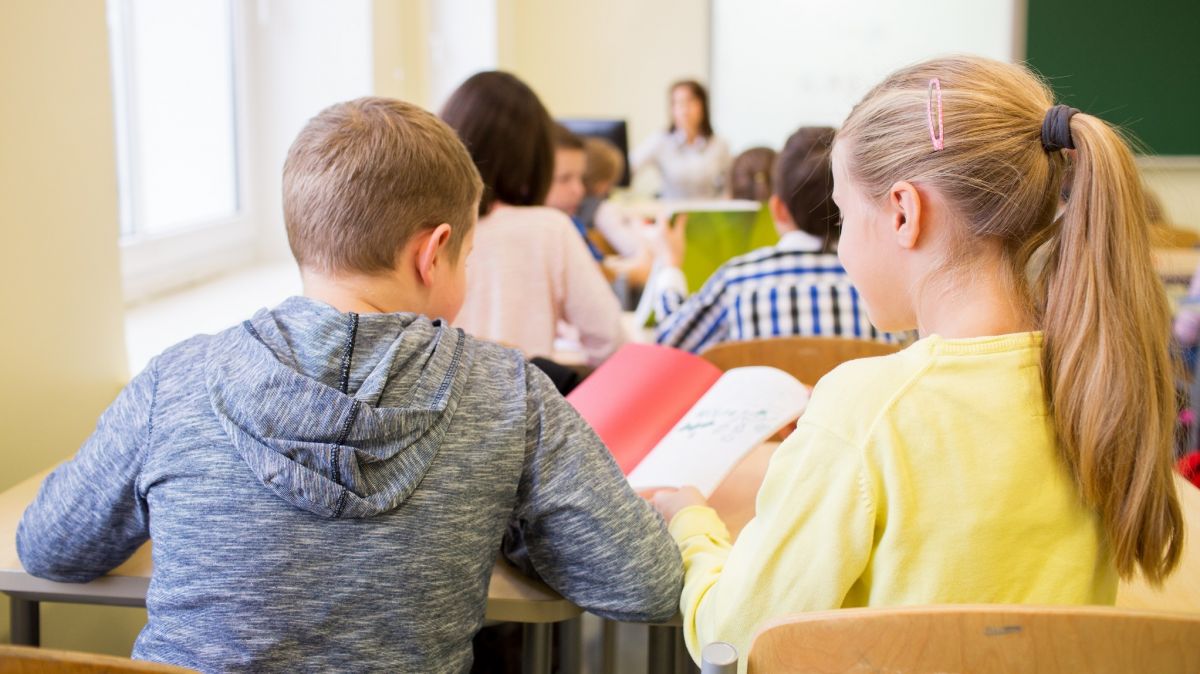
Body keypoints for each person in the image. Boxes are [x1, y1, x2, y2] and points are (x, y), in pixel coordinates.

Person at [16, 97, 681, 673]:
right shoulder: (508, 395)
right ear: (433, 251)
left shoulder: (178, 381)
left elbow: (51, 546)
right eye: (467, 257)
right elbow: (646, 584)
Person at [649, 55, 1184, 665]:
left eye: (844, 216)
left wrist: (693, 525)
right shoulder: (1096, 381)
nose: (843, 244)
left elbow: (731, 637)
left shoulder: (862, 409)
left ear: (903, 212)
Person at [442, 72, 626, 366]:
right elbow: (609, 339)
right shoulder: (549, 229)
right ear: (536, 155)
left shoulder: (428, 230)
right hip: (522, 403)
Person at [652, 127, 889, 353]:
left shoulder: (736, 281)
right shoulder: (880, 286)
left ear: (777, 209)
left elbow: (669, 340)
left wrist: (671, 265)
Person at [631, 80, 732, 199]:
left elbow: (730, 184)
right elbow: (630, 167)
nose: (684, 109)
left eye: (690, 101)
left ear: (703, 106)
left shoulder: (719, 144)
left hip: (709, 212)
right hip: (672, 212)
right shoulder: (660, 141)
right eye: (678, 103)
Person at [545, 124, 604, 261]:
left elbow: (597, 265)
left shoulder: (571, 222)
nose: (580, 190)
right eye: (564, 179)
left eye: (581, 178)